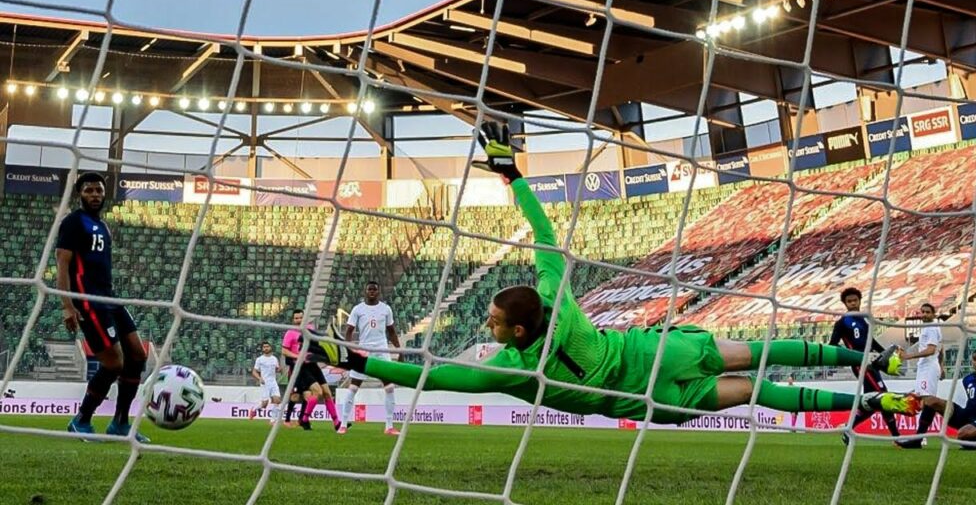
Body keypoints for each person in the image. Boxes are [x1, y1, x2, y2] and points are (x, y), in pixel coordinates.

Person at [306, 122, 920, 426]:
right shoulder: (556, 296)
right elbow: (545, 235)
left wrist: (352, 359)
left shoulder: (515, 370)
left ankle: (869, 399)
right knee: (758, 353)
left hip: (651, 398)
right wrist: (511, 173)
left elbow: (432, 376)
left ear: (517, 331)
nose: (487, 324)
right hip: (659, 352)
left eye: (492, 319)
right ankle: (877, 367)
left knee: (757, 389)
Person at [61, 172, 150, 442]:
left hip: (110, 298)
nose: (95, 195)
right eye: (89, 190)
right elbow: (63, 264)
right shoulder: (73, 222)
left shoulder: (103, 225)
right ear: (80, 194)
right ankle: (81, 420)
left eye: (99, 190)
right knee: (113, 363)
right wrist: (67, 305)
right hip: (88, 301)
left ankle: (120, 423)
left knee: (138, 355)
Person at [899, 348, 976, 449]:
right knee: (930, 401)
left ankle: (973, 438)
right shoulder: (967, 380)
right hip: (965, 415)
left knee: (962, 435)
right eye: (975, 359)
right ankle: (918, 440)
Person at [828, 287, 904, 445]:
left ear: (859, 301)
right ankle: (897, 437)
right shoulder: (841, 323)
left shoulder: (864, 320)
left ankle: (848, 428)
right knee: (883, 396)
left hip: (871, 362)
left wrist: (886, 354)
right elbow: (832, 344)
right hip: (860, 364)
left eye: (855, 300)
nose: (852, 303)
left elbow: (872, 342)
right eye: (849, 301)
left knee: (872, 402)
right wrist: (848, 356)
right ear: (845, 304)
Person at [339, 281, 402, 435]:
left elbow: (391, 331)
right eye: (369, 289)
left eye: (374, 289)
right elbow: (349, 331)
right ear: (365, 291)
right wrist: (349, 349)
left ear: (378, 292)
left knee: (389, 387)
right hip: (364, 350)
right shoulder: (358, 309)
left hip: (381, 349)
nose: (372, 291)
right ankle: (343, 424)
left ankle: (389, 426)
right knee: (353, 387)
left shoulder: (386, 309)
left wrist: (400, 350)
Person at [282, 309, 342, 431]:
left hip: (313, 365)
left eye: (301, 318)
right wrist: (298, 356)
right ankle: (301, 419)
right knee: (314, 392)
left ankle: (336, 423)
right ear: (293, 320)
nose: (299, 320)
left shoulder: (310, 329)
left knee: (327, 393)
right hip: (301, 367)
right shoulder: (290, 333)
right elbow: (284, 351)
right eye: (296, 318)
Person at [899, 303, 943, 442]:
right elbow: (941, 349)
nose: (924, 314)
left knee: (927, 401)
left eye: (928, 312)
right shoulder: (930, 327)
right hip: (926, 367)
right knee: (922, 400)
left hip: (928, 367)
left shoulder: (931, 328)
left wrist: (908, 356)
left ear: (933, 314)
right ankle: (919, 436)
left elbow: (931, 350)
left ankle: (921, 437)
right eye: (922, 312)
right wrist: (942, 367)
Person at [250, 341, 282, 423]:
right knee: (265, 404)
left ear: (270, 348)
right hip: (265, 383)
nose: (266, 348)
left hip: (273, 382)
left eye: (267, 346)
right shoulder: (259, 359)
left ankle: (273, 420)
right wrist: (259, 378)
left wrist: (279, 369)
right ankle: (254, 409)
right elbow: (254, 371)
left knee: (277, 400)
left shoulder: (274, 359)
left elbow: (277, 369)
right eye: (264, 347)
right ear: (262, 349)